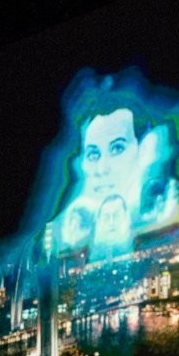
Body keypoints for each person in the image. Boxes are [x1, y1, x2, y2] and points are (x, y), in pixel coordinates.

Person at [57, 106, 142, 260]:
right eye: (93, 154)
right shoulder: (68, 224)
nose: (102, 169)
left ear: (136, 148)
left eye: (117, 148)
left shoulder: (161, 206)